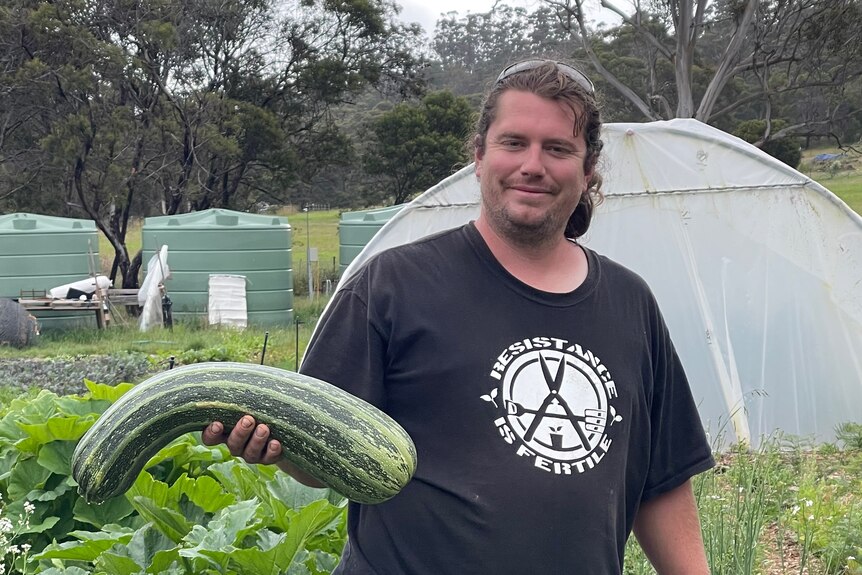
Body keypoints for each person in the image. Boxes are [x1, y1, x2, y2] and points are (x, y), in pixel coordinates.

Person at [203, 59, 715, 574]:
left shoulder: (631, 304)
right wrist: (275, 444)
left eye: (557, 148)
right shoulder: (393, 285)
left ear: (587, 170)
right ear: (478, 155)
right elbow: (323, 455)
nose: (532, 165)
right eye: (513, 143)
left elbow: (662, 481)